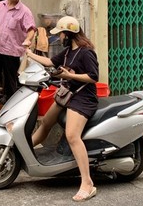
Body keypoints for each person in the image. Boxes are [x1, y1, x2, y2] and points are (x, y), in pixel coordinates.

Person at [25, 15, 99, 202]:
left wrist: (70, 76)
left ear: (68, 34)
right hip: (67, 95)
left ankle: (87, 183)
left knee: (72, 136)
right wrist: (28, 53)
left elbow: (93, 77)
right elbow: (50, 62)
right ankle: (21, 154)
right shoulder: (67, 52)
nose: (59, 38)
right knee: (45, 124)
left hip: (83, 98)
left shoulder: (85, 52)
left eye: (60, 34)